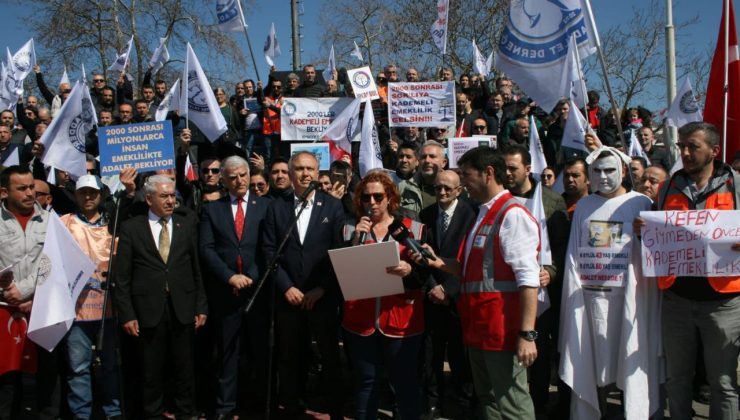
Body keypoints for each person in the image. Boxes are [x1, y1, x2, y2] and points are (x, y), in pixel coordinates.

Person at [411, 147, 541, 420]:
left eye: (467, 175)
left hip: (503, 332)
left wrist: (527, 334)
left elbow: (528, 279)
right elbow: (469, 270)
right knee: (490, 400)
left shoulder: (512, 215)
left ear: (489, 173)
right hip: (479, 329)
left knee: (512, 403)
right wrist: (437, 262)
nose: (464, 182)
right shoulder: (482, 213)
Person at [647, 122, 740, 419]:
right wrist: (644, 231)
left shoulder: (736, 185)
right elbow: (658, 238)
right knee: (677, 379)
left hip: (724, 302)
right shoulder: (668, 187)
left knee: (723, 382)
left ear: (714, 151)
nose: (685, 152)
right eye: (682, 146)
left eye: (693, 147)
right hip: (677, 300)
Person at [560, 147, 660, 419]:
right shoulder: (584, 205)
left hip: (630, 299)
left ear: (624, 171)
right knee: (590, 364)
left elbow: (653, 250)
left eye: (610, 170)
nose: (603, 177)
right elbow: (573, 255)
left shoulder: (640, 203)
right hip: (591, 301)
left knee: (630, 361)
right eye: (597, 171)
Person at [114, 175, 208, 420]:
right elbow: (122, 277)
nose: (170, 201)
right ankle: (153, 414)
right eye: (164, 196)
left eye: (172, 196)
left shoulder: (185, 224)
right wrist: (127, 314)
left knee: (185, 368)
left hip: (183, 306)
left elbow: (196, 269)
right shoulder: (132, 227)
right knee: (150, 370)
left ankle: (186, 412)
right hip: (147, 309)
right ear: (148, 199)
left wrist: (201, 305)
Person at [262, 152, 345, 419]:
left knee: (330, 355)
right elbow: (268, 251)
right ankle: (292, 406)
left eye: (310, 168)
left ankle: (334, 408)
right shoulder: (276, 206)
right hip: (289, 297)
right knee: (290, 356)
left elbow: (339, 251)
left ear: (318, 171)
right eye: (298, 169)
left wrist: (322, 289)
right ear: (289, 172)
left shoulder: (332, 206)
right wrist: (286, 287)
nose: (305, 174)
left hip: (322, 296)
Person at [343, 171, 427, 420]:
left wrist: (410, 270)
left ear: (389, 198)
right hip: (361, 321)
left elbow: (426, 275)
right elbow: (344, 272)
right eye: (366, 197)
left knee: (404, 382)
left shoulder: (414, 229)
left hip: (401, 319)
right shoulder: (350, 229)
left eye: (378, 196)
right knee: (366, 382)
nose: (372, 203)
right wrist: (356, 238)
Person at [199, 156, 271, 418]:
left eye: (242, 175)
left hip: (257, 292)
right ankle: (225, 408)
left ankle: (257, 407)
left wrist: (250, 276)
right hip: (226, 293)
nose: (239, 181)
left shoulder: (266, 206)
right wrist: (230, 277)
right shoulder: (212, 209)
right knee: (227, 355)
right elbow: (206, 249)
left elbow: (268, 248)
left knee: (258, 353)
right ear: (223, 180)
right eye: (232, 177)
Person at [59, 175, 122, 420]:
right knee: (78, 367)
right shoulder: (65, 222)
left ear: (101, 195)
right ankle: (80, 414)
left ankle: (113, 412)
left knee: (110, 365)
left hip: (109, 307)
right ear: (75, 195)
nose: (88, 197)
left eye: (92, 193)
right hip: (77, 307)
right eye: (83, 192)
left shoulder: (114, 223)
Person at [419, 170, 476, 419]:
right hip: (432, 296)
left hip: (458, 298)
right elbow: (422, 256)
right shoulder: (427, 215)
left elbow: (469, 259)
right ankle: (433, 402)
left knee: (459, 356)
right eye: (438, 188)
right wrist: (433, 286)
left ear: (459, 191)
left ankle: (464, 401)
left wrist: (449, 290)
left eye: (447, 189)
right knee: (431, 355)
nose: (441, 192)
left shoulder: (471, 216)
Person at [0, 165, 50, 419]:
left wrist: (26, 291)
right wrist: (7, 291)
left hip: (39, 310)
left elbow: (51, 263)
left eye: (32, 187)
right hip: (3, 311)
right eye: (22, 188)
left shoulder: (50, 221)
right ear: (4, 192)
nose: (30, 193)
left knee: (38, 380)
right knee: (6, 382)